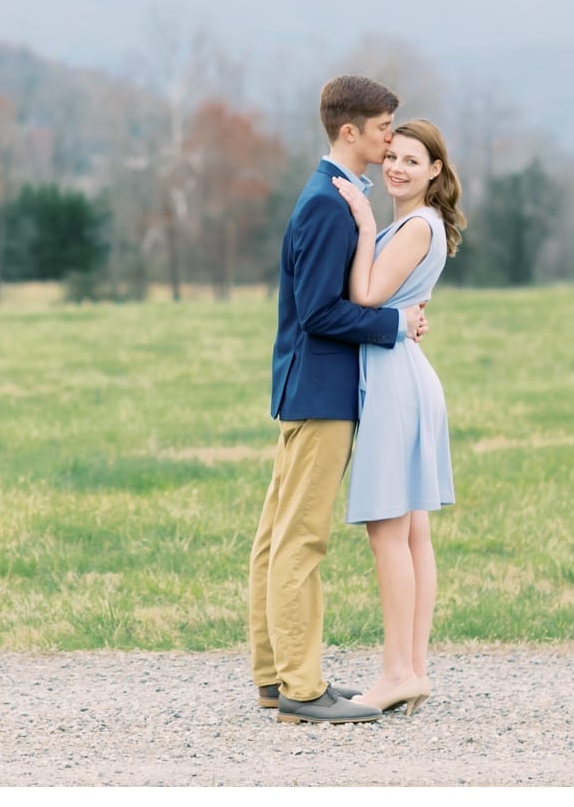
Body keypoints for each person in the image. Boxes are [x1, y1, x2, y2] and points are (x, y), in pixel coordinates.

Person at [249, 75, 429, 725]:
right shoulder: (328, 203)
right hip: (323, 391)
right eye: (383, 128)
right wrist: (394, 325)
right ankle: (300, 687)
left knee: (276, 537)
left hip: (307, 386)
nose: (390, 141)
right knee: (301, 541)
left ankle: (275, 677)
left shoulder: (332, 194)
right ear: (349, 132)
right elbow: (323, 312)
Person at [331, 118, 465, 717]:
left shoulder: (413, 226)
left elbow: (364, 296)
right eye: (394, 156)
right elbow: (397, 299)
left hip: (395, 382)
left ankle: (397, 672)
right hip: (407, 373)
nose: (397, 167)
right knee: (411, 532)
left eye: (413, 160)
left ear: (435, 170)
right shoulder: (417, 225)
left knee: (389, 530)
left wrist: (362, 224)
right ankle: (412, 669)